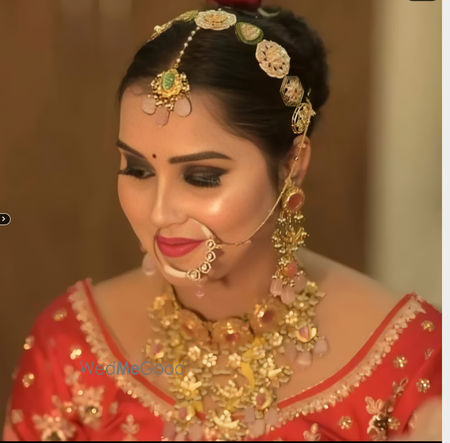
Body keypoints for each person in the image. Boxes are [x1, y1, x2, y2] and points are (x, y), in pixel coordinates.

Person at [3, 2, 441, 441]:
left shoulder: (412, 360)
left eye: (202, 177)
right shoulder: (72, 346)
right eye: (137, 170)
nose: (159, 213)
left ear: (292, 165)